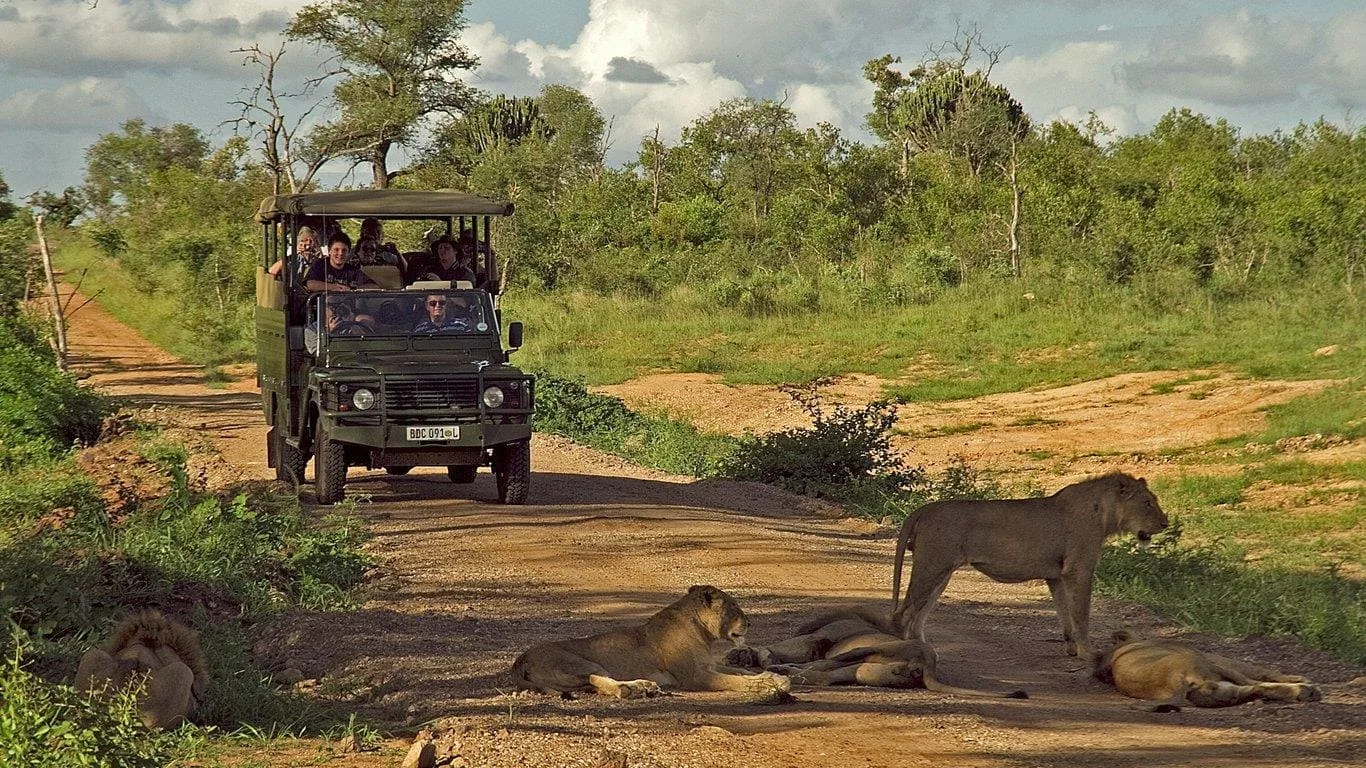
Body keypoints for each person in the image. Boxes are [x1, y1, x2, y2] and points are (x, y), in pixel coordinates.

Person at [304, 231, 370, 292]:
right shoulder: (319, 265)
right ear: (329, 251)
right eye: (336, 249)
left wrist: (352, 289)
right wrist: (334, 287)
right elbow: (309, 284)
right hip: (323, 304)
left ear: (349, 253)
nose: (340, 253)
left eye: (344, 250)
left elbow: (373, 286)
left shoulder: (353, 270)